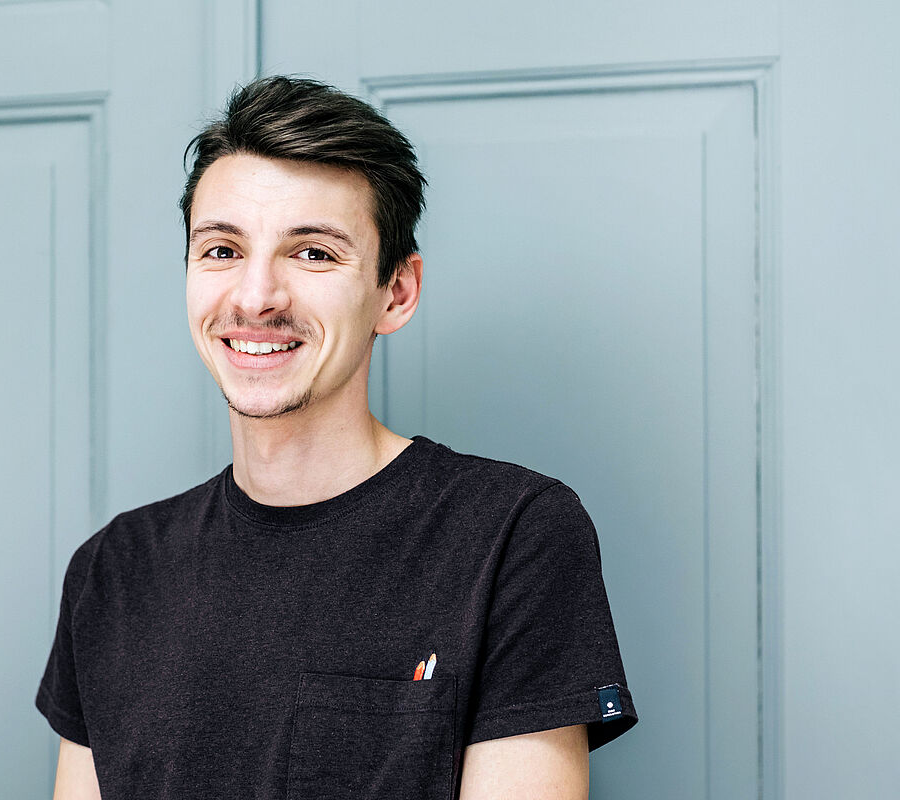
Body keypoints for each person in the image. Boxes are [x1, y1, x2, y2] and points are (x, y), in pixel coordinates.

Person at [37, 75, 637, 800]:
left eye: (314, 253)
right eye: (221, 250)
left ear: (396, 293)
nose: (255, 297)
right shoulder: (111, 572)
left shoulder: (513, 534)